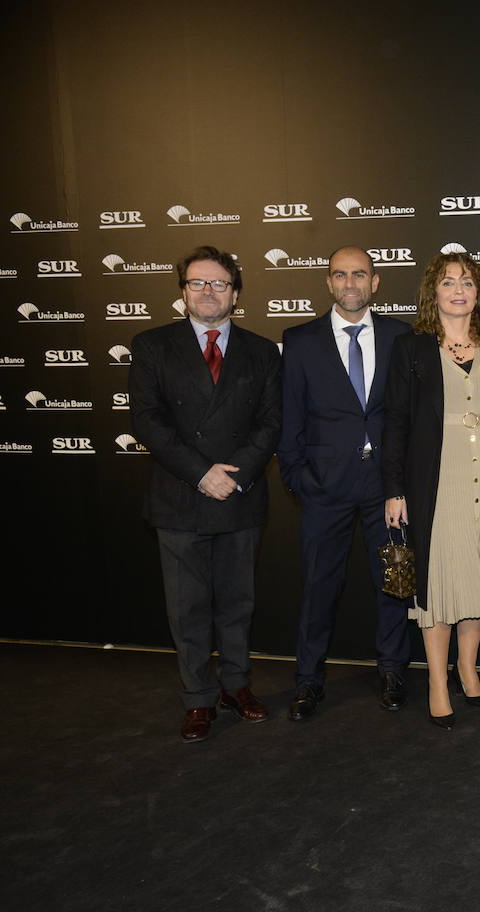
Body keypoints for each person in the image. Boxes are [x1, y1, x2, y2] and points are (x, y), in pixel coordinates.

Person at [129, 245, 281, 742]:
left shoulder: (262, 351)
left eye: (218, 283)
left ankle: (236, 687)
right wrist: (201, 474)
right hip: (180, 497)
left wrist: (233, 476)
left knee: (238, 603)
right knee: (188, 607)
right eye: (198, 283)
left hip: (240, 494)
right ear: (183, 292)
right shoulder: (152, 345)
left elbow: (271, 422)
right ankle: (197, 697)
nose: (208, 292)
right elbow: (147, 421)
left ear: (235, 294)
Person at [382, 252, 480, 730]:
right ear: (432, 292)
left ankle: (468, 667)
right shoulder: (412, 347)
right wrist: (395, 489)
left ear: (478, 293)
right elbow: (396, 421)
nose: (458, 290)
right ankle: (438, 682)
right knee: (440, 581)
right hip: (436, 482)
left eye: (467, 282)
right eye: (447, 282)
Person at [277, 247, 412, 721]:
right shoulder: (299, 339)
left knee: (394, 581)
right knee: (318, 587)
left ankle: (394, 669)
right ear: (328, 282)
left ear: (375, 282)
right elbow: (289, 415)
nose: (350, 282)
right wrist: (297, 477)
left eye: (359, 274)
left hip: (387, 488)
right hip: (324, 487)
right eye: (340, 274)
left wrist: (404, 482)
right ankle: (308, 680)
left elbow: (408, 415)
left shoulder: (402, 336)